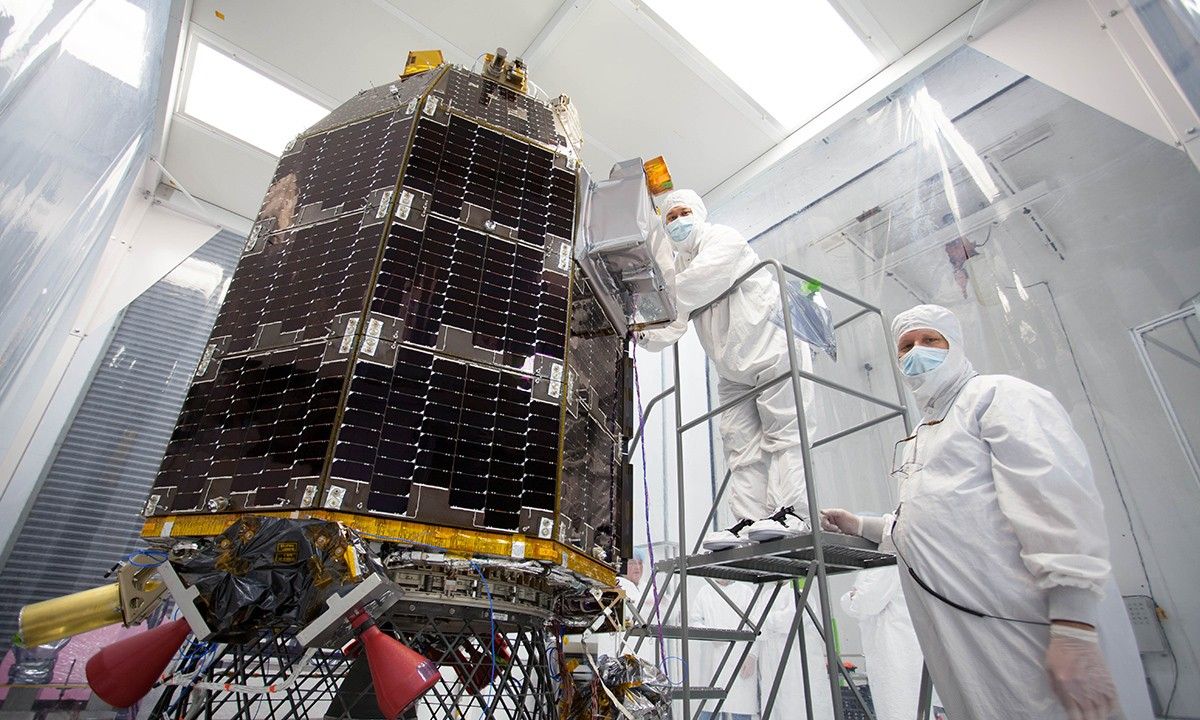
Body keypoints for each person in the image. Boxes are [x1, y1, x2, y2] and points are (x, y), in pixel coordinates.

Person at [820, 304, 1154, 720]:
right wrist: (863, 525)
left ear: (955, 345)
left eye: (930, 340)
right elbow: (939, 524)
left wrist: (1074, 624)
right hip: (973, 635)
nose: (916, 352)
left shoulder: (998, 397)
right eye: (905, 346)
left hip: (1030, 625)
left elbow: (1054, 502)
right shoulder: (924, 433)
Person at [637, 189, 815, 551]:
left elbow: (692, 288)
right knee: (739, 442)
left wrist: (645, 302)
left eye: (683, 213)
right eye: (670, 218)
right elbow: (672, 322)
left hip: (771, 348)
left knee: (785, 433)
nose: (677, 222)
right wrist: (639, 330)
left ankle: (792, 511)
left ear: (698, 213)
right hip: (732, 367)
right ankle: (748, 519)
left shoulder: (723, 239)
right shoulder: (679, 268)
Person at [841, 563, 925, 720]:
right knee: (895, 707)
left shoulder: (887, 565)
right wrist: (854, 598)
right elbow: (860, 601)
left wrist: (852, 597)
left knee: (900, 708)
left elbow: (865, 601)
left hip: (897, 651)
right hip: (887, 650)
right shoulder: (877, 566)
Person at [757, 581, 834, 719]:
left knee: (800, 705)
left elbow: (791, 619)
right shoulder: (767, 594)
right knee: (777, 706)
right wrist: (771, 621)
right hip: (773, 660)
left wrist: (767, 620)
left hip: (798, 659)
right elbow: (758, 624)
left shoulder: (800, 586)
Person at [690, 579, 760, 720]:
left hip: (740, 658)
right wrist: (710, 635)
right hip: (713, 660)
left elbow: (757, 626)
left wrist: (752, 655)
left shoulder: (746, 592)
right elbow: (693, 622)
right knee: (709, 708)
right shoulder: (705, 592)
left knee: (740, 709)